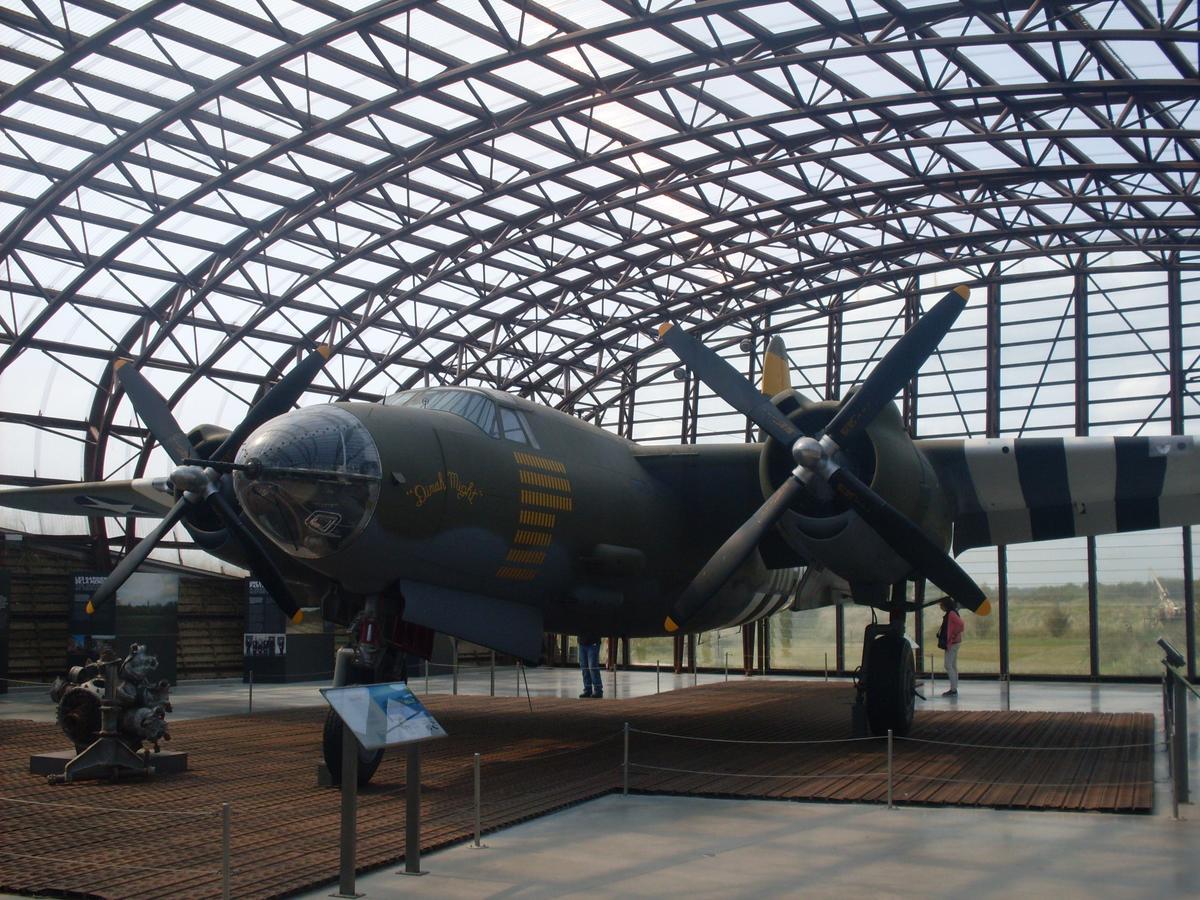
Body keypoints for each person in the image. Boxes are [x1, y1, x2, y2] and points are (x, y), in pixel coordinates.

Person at [937, 598, 964, 696]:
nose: (940, 606)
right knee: (952, 665)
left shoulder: (951, 614)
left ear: (945, 605)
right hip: (955, 642)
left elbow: (961, 625)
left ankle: (953, 689)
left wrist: (952, 636)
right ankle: (954, 687)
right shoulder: (953, 612)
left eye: (941, 605)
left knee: (948, 665)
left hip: (952, 643)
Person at [577, 633, 602, 698]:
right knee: (584, 667)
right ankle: (587, 690)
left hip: (593, 642)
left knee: (592, 666)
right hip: (582, 642)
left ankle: (598, 690)